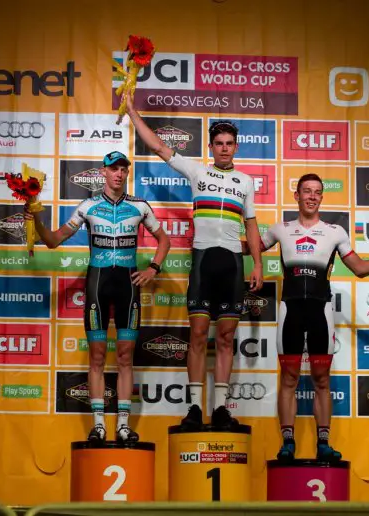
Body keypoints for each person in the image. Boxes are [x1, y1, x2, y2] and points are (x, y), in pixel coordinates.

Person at [126, 95, 263, 430]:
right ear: (212, 146)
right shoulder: (197, 171)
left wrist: (257, 264)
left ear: (236, 146)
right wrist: (132, 112)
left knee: (227, 337)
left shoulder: (245, 183)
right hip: (203, 261)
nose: (225, 149)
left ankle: (220, 410)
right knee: (199, 334)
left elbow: (251, 225)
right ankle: (193, 409)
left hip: (232, 263)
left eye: (230, 144)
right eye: (219, 143)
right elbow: (159, 147)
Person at [246, 173, 369, 461]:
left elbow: (360, 268)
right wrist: (218, 239)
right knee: (288, 378)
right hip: (289, 309)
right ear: (297, 196)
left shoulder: (335, 231)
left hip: (320, 311)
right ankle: (287, 442)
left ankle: (323, 443)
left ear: (322, 197)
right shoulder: (280, 228)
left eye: (317, 192)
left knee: (321, 379)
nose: (312, 196)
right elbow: (252, 246)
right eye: (306, 191)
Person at [26, 150, 171, 443]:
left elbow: (164, 240)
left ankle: (123, 426)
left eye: (123, 169)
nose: (119, 173)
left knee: (126, 356)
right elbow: (53, 241)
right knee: (97, 356)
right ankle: (99, 425)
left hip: (128, 285)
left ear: (127, 173)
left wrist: (153, 268)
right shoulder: (88, 206)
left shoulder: (140, 206)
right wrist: (37, 219)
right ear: (103, 172)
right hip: (97, 284)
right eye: (113, 168)